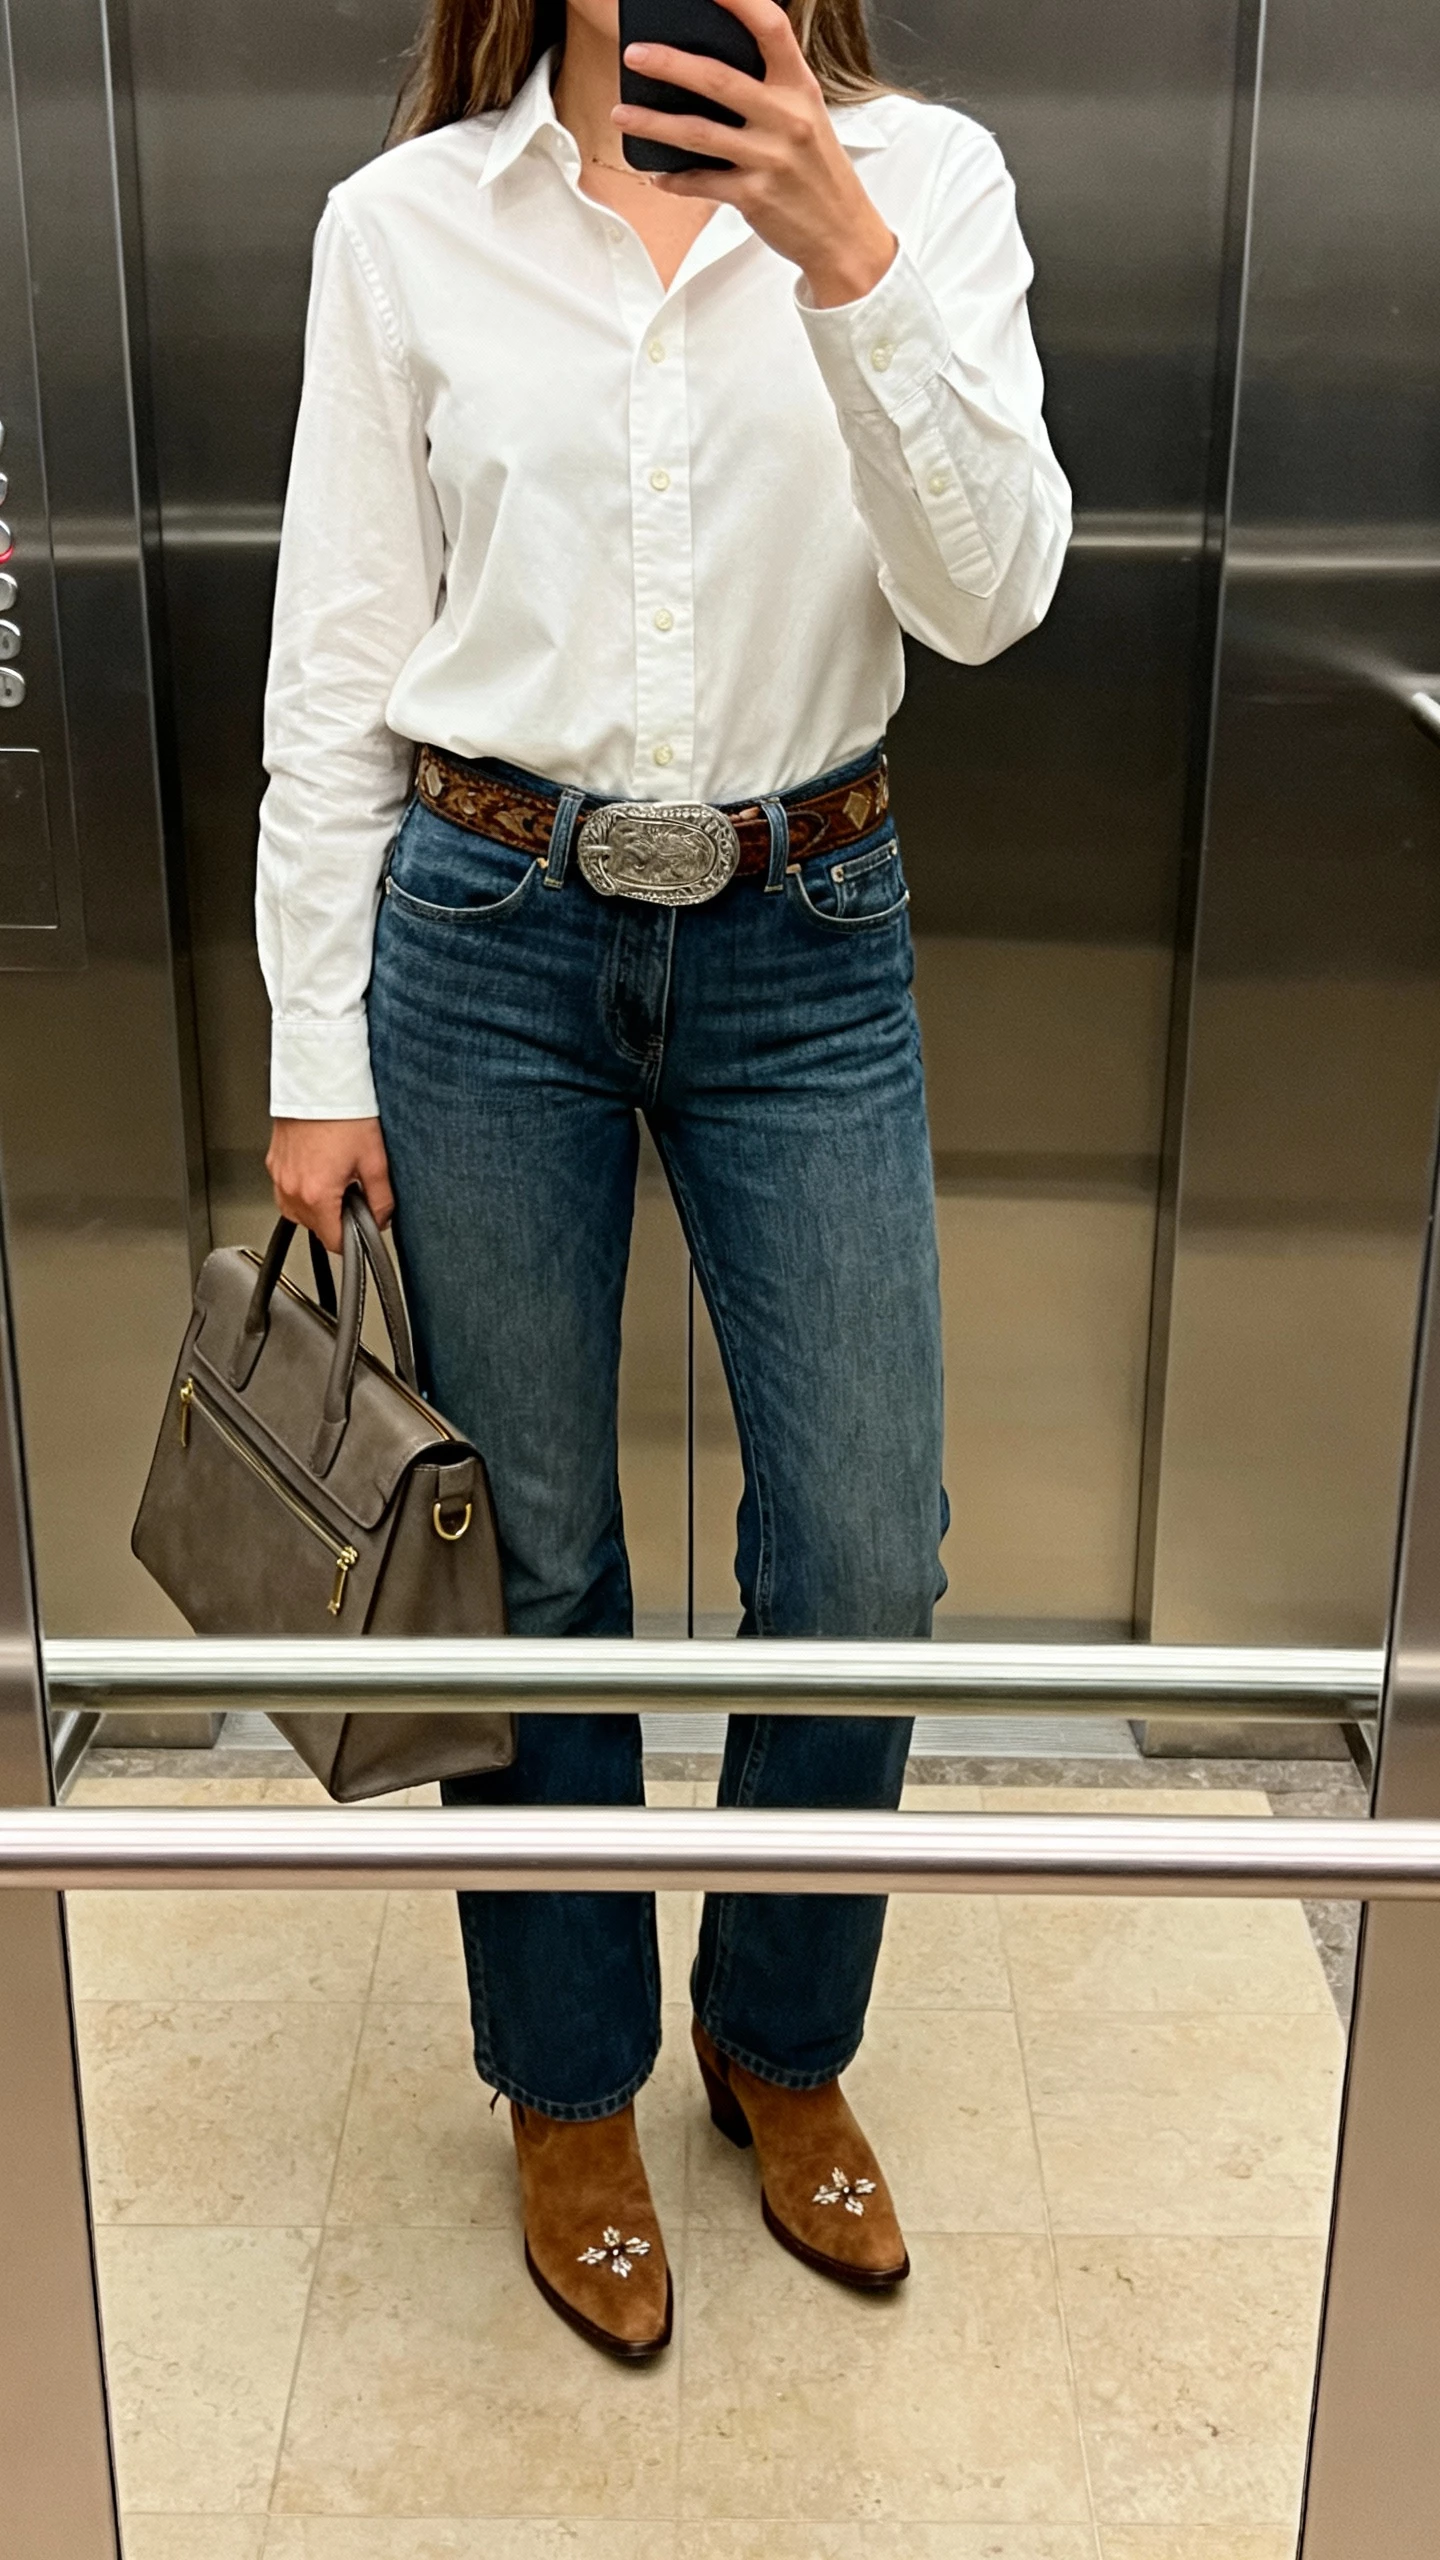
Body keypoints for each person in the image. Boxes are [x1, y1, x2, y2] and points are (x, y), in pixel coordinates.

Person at [259, 0, 1069, 2361]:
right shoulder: (403, 225)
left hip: (812, 926)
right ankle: (567, 2075)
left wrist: (850, 259)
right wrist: (319, 1048)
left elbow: (996, 590)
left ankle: (779, 2035)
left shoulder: (934, 182)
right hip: (485, 928)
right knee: (532, 1550)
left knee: (863, 1541)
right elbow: (335, 662)